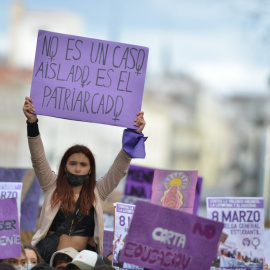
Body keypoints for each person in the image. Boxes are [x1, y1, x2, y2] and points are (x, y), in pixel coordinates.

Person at [22, 96, 147, 263]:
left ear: (90, 169)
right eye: (73, 163)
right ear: (65, 166)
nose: (78, 168)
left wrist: (134, 134)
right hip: (49, 260)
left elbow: (119, 169)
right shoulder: (51, 185)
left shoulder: (98, 192)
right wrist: (32, 123)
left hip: (81, 264)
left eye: (83, 164)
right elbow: (38, 158)